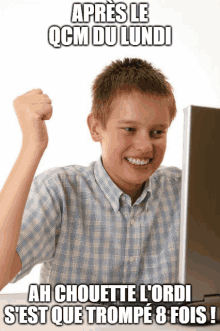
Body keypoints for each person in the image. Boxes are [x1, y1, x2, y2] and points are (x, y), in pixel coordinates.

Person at [0, 58, 181, 292]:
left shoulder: (184, 191)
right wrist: (32, 146)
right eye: (129, 129)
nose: (145, 146)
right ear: (96, 128)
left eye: (157, 132)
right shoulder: (59, 191)